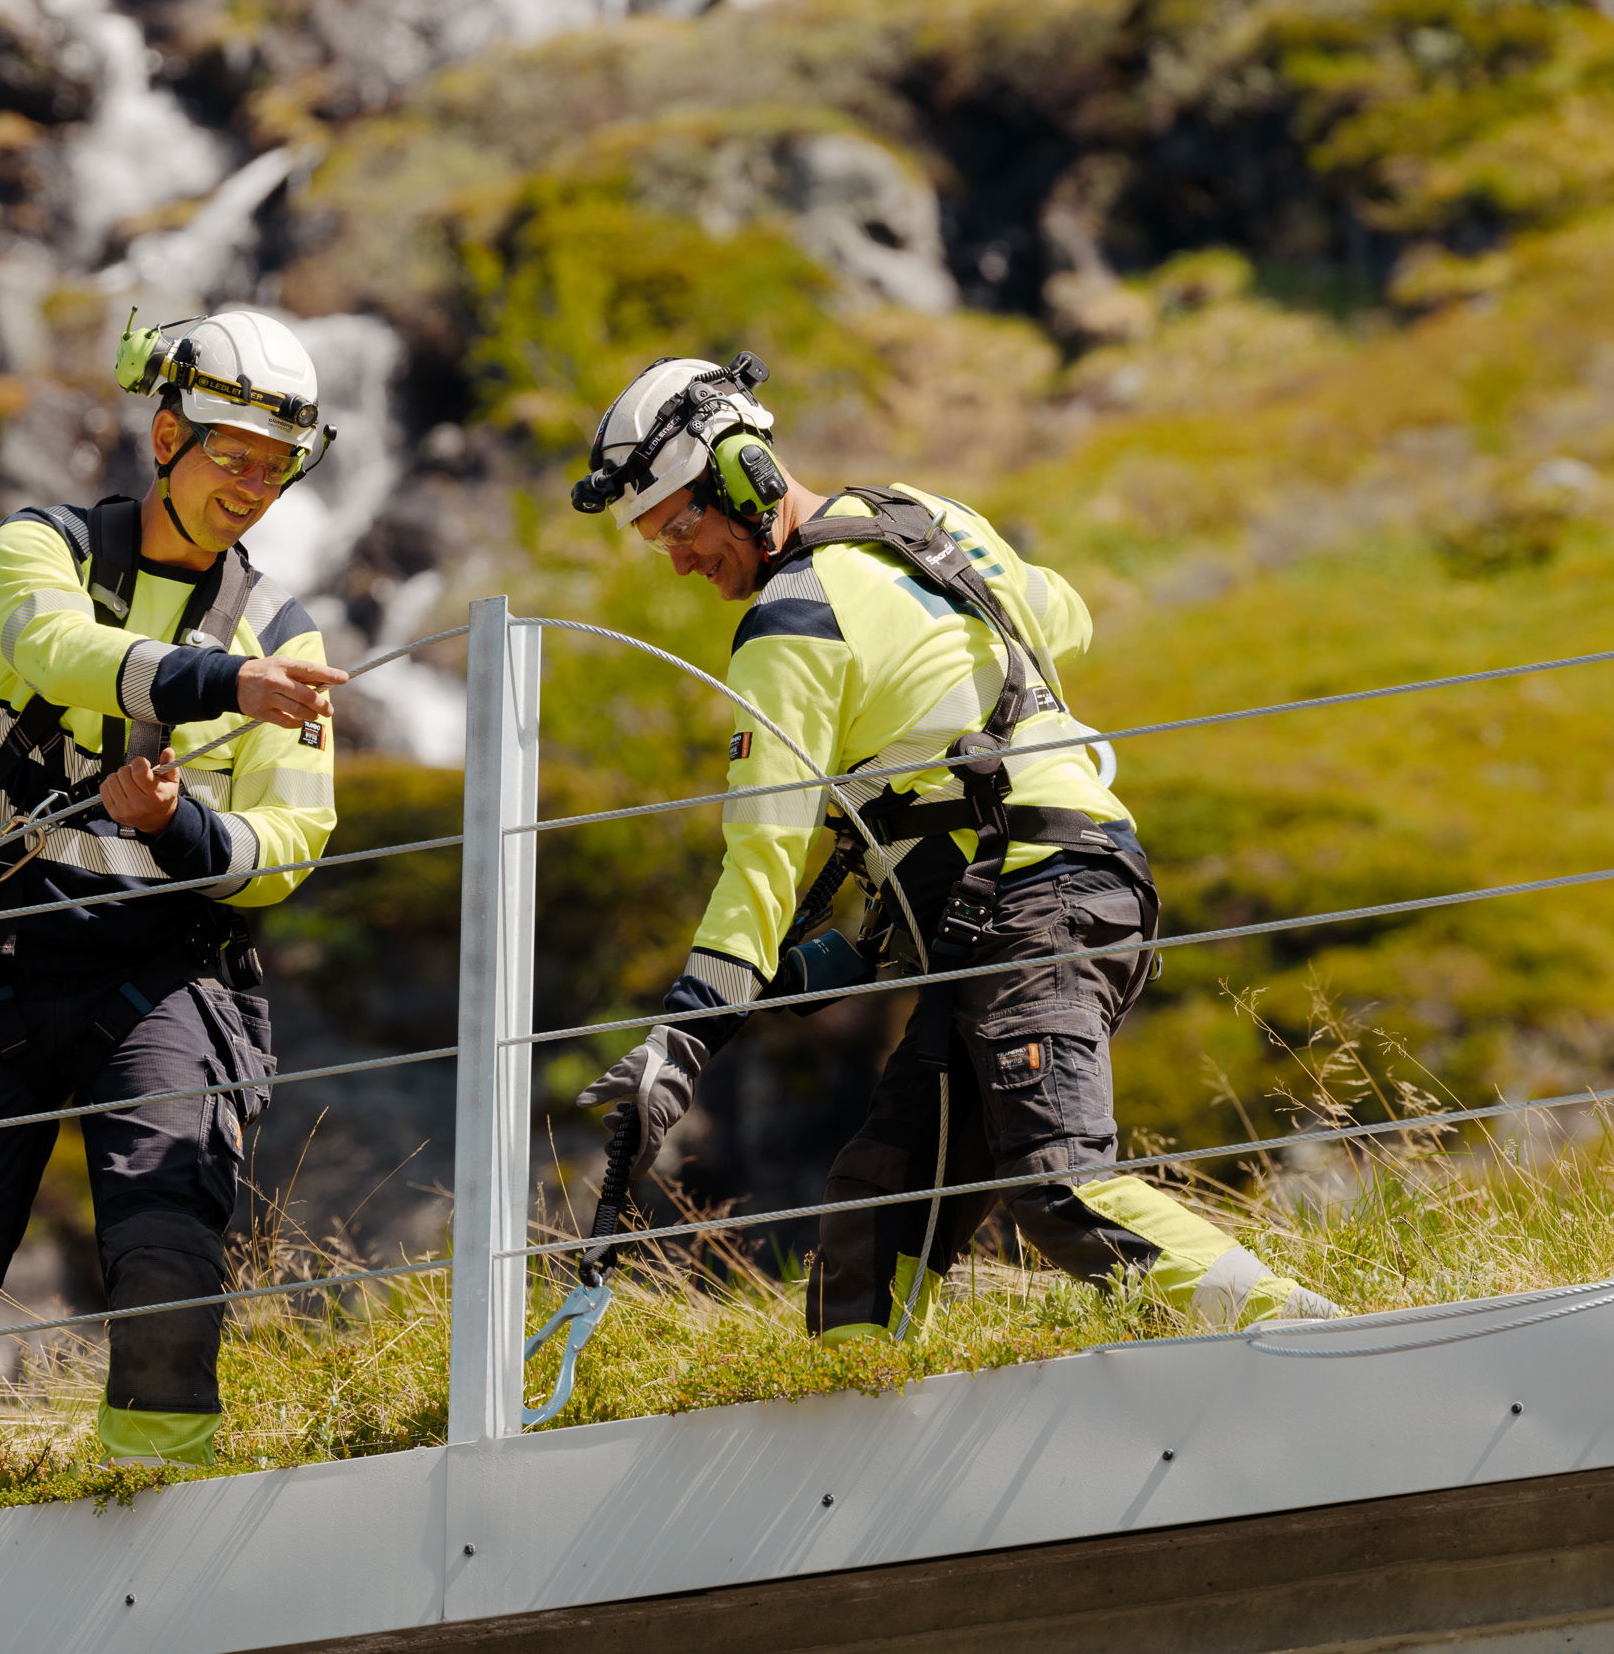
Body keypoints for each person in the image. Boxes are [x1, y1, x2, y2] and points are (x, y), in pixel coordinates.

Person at [568, 354, 1337, 1341]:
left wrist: (681, 1041)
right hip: (1070, 882)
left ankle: (1326, 1343)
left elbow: (759, 861)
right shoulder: (927, 517)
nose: (678, 560)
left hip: (1028, 903)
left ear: (743, 478)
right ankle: (853, 1401)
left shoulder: (789, 625)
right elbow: (1063, 614)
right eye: (655, 541)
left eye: (679, 526)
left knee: (1058, 1184)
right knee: (880, 1202)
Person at [0, 307, 348, 1474]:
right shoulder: (41, 548)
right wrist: (224, 681)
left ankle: (155, 1502)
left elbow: (292, 843)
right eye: (233, 457)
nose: (254, 488)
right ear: (167, 436)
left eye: (276, 467)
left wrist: (177, 825)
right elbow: (53, 648)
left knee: (167, 1258)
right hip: (4, 966)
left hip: (167, 979)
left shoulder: (288, 629)